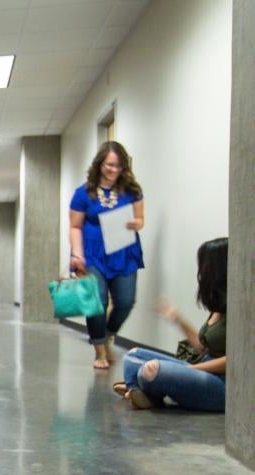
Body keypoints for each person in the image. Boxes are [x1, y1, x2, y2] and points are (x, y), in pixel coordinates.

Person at [113, 238, 228, 411]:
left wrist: (191, 370)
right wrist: (177, 318)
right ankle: (139, 391)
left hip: (222, 383)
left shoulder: (241, 311)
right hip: (204, 369)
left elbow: (233, 362)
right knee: (133, 356)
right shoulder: (219, 307)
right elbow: (203, 348)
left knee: (151, 370)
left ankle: (138, 389)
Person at [68, 141, 146, 369]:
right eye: (110, 165)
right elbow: (75, 226)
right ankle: (100, 351)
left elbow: (141, 219)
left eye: (119, 166)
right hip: (92, 254)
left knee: (125, 301)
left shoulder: (132, 190)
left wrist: (135, 223)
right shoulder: (83, 193)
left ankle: (107, 334)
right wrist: (76, 254)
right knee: (97, 301)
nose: (114, 170)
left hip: (123, 250)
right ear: (100, 164)